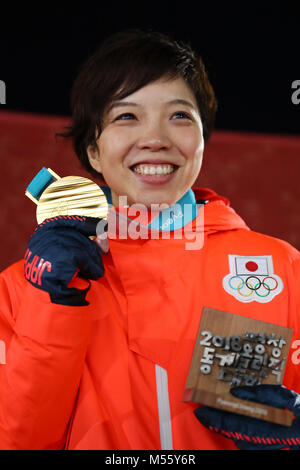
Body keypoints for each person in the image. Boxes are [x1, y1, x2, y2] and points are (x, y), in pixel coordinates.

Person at [0, 29, 300, 451]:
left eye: (179, 116)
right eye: (126, 116)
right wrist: (50, 304)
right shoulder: (25, 287)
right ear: (93, 152)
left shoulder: (282, 268)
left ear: (202, 141)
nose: (156, 138)